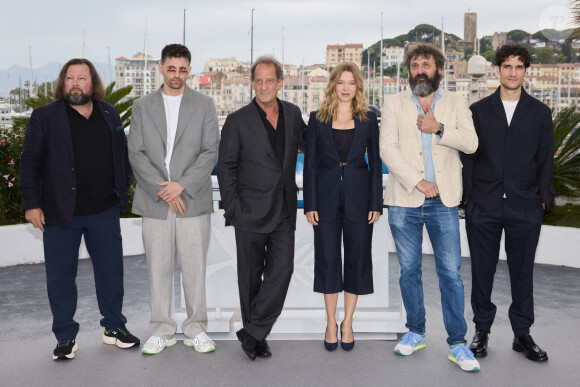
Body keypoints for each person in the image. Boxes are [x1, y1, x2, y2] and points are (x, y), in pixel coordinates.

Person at [20, 58, 140, 360]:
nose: (76, 83)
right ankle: (65, 337)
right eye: (70, 78)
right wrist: (32, 204)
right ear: (63, 83)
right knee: (61, 277)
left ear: (92, 83)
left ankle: (114, 327)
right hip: (60, 213)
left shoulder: (109, 112)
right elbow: (29, 163)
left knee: (111, 272)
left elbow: (121, 156)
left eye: (82, 78)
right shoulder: (45, 116)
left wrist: (119, 190)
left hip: (104, 210)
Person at [379, 44, 480, 371]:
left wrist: (438, 128)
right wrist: (417, 181)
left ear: (439, 69)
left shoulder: (455, 102)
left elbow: (471, 142)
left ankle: (457, 343)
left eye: (426, 64)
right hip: (405, 200)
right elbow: (387, 150)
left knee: (450, 272)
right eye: (414, 65)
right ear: (408, 71)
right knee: (409, 271)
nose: (420, 69)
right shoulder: (394, 103)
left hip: (445, 202)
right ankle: (416, 332)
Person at [462, 44, 553, 362]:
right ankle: (481, 332)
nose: (512, 72)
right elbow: (469, 156)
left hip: (526, 206)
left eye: (519, 66)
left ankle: (522, 334)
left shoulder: (540, 112)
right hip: (483, 204)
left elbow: (545, 160)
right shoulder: (478, 110)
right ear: (497, 70)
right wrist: (468, 197)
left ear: (526, 70)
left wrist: (542, 200)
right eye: (507, 66)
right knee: (482, 272)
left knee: (522, 272)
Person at [128, 44, 219, 355]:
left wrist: (180, 186)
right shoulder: (141, 106)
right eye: (171, 68)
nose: (177, 74)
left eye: (183, 69)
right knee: (158, 268)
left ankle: (197, 329)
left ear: (189, 70)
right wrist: (165, 191)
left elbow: (210, 151)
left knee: (194, 269)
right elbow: (136, 153)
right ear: (160, 68)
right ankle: (162, 330)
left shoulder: (205, 104)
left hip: (192, 200)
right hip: (155, 201)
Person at [217, 55, 306, 361]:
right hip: (249, 211)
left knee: (282, 270)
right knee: (251, 278)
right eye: (259, 81)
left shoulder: (293, 114)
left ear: (280, 83)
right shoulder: (237, 121)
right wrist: (234, 209)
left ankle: (253, 330)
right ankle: (258, 337)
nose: (265, 86)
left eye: (270, 80)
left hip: (283, 210)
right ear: (252, 84)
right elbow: (225, 169)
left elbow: (313, 145)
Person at [303, 62, 382, 351]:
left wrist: (376, 202)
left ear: (357, 87)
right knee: (327, 260)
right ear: (333, 86)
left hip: (360, 201)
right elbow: (309, 164)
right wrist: (309, 203)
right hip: (323, 201)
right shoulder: (317, 119)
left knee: (357, 260)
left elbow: (375, 163)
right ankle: (330, 322)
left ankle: (348, 322)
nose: (346, 88)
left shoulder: (368, 119)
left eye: (351, 83)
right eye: (340, 82)